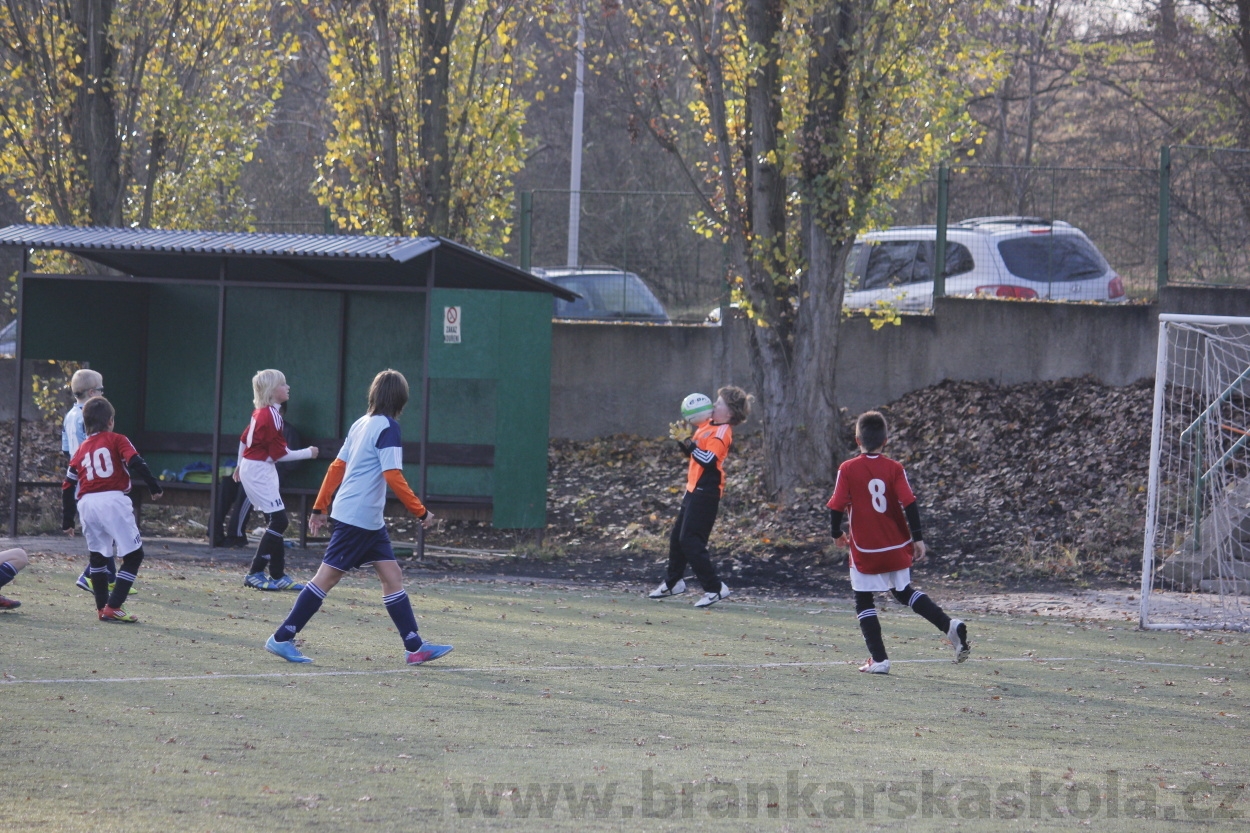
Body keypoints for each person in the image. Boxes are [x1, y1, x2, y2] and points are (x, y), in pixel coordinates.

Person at [264, 369, 452, 666]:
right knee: (326, 578)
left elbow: (336, 467)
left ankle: (415, 646)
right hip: (357, 518)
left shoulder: (361, 423)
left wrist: (320, 507)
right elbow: (393, 475)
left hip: (368, 520)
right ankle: (282, 637)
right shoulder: (388, 428)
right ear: (400, 399)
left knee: (392, 576)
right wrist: (420, 511)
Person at [826, 410, 970, 674]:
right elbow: (910, 503)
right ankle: (949, 626)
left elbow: (836, 505)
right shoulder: (895, 468)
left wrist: (836, 533)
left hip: (866, 549)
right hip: (895, 545)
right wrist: (918, 538)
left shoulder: (847, 469)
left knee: (863, 600)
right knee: (904, 592)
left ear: (857, 440)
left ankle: (879, 659)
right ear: (886, 441)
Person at [61, 397, 164, 623]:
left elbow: (68, 485)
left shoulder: (80, 450)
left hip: (86, 503)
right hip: (113, 500)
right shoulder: (118, 439)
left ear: (85, 424)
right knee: (134, 555)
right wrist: (154, 486)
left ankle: (102, 608)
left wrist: (67, 520)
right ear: (110, 421)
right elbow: (136, 461)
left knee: (98, 557)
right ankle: (114, 606)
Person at [649, 385, 752, 608]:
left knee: (690, 541)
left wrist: (689, 442)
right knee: (677, 539)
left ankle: (715, 588)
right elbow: (693, 455)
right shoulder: (707, 426)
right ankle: (673, 583)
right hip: (693, 489)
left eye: (719, 403)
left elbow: (707, 460)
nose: (714, 405)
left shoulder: (722, 431)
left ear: (730, 412)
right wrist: (683, 440)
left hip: (707, 493)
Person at [236, 370, 319, 590]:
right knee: (279, 521)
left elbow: (244, 440)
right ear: (272, 391)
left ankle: (278, 574)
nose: (288, 387)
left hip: (257, 469)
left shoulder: (263, 412)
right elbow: (279, 455)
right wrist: (308, 452)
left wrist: (239, 465)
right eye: (283, 384)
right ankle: (255, 572)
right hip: (259, 470)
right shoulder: (270, 415)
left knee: (275, 521)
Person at [215, 402, 306, 548]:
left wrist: (269, 464)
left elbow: (292, 462)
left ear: (280, 413)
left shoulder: (288, 432)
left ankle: (236, 536)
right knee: (227, 483)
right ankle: (214, 532)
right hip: (252, 471)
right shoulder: (258, 428)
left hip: (271, 476)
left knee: (247, 488)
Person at [63, 368, 120, 594]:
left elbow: (66, 449)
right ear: (92, 392)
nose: (104, 394)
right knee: (107, 532)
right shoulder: (88, 418)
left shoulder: (69, 415)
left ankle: (111, 577)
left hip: (79, 478)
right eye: (101, 389)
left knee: (105, 530)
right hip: (91, 481)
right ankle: (89, 575)